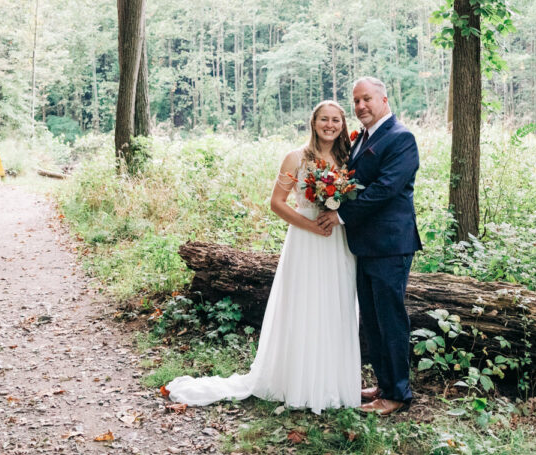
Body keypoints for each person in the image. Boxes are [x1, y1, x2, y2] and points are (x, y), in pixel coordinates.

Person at [164, 100, 360, 413]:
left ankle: (331, 384)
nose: (330, 125)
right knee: (305, 306)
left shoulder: (349, 158)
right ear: (314, 122)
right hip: (306, 241)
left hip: (338, 241)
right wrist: (310, 224)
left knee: (335, 305)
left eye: (336, 120)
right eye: (324, 119)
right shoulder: (295, 158)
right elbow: (277, 202)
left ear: (342, 124)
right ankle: (298, 381)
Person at [318, 76, 420, 416]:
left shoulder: (401, 138)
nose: (361, 106)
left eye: (367, 99)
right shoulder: (362, 137)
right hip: (365, 244)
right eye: (356, 101)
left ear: (384, 100)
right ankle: (383, 383)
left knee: (390, 320)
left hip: (391, 244)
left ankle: (398, 395)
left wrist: (340, 215)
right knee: (372, 320)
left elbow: (384, 189)